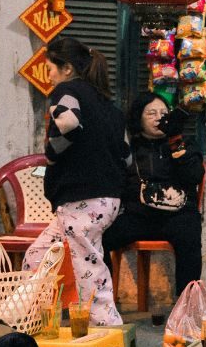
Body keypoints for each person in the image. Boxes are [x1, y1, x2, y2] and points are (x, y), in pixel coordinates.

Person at [23, 35, 129, 327]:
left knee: (89, 271)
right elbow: (127, 155)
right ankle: (36, 328)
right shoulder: (109, 106)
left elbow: (68, 123)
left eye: (51, 69)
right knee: (38, 257)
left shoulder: (67, 90)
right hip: (103, 199)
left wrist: (52, 154)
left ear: (67, 68)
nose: (50, 75)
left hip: (83, 199)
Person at [102, 92, 205, 300]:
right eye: (151, 113)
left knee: (189, 237)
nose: (159, 117)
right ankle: (104, 301)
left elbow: (194, 176)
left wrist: (175, 141)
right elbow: (117, 183)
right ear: (139, 117)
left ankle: (187, 305)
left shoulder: (184, 144)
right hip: (140, 217)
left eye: (164, 113)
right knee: (97, 239)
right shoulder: (130, 149)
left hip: (178, 216)